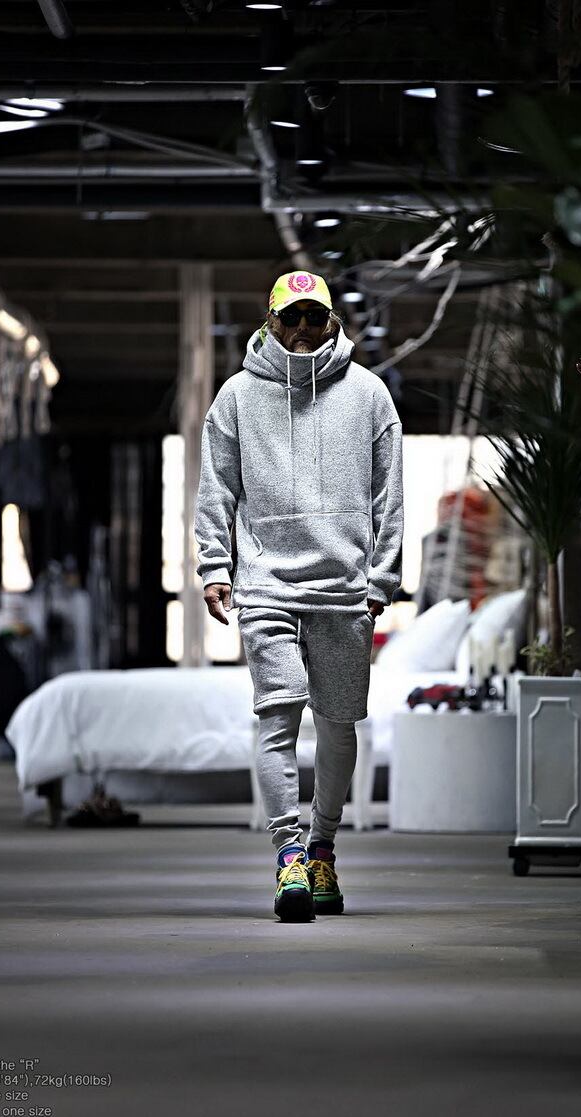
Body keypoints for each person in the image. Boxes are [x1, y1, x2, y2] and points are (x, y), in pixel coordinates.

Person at [194, 270, 403, 922]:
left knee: (338, 724)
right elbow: (217, 487)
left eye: (316, 316)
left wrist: (383, 578)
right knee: (277, 718)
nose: (304, 328)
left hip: (344, 586)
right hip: (266, 584)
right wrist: (214, 566)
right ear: (272, 320)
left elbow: (390, 496)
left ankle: (322, 850)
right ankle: (288, 855)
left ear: (333, 322)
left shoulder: (369, 395)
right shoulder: (236, 396)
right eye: (293, 317)